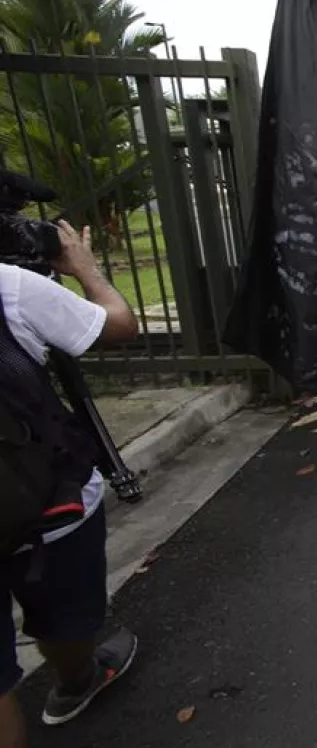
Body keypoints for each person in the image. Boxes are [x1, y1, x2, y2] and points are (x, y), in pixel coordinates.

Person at [1, 220, 140, 746]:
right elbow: (120, 326)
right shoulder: (12, 287)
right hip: (44, 503)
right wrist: (84, 269)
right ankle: (77, 678)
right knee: (64, 608)